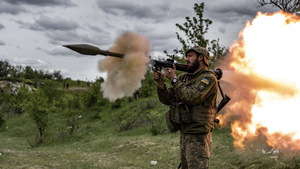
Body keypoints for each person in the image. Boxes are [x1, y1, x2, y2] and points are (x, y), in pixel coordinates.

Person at [153, 46, 218, 169]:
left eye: (190, 56)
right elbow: (167, 99)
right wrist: (161, 83)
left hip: (199, 134)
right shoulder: (184, 78)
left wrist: (174, 79)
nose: (186, 59)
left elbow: (192, 97)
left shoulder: (208, 78)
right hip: (185, 131)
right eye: (186, 56)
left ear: (201, 58)